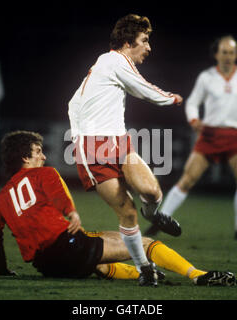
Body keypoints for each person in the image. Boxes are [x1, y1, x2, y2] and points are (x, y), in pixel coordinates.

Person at [0, 130, 236, 287]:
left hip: (45, 265)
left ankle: (149, 275)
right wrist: (71, 211)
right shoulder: (44, 173)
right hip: (68, 246)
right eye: (37, 152)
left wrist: (2, 270)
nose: (43, 156)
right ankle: (198, 275)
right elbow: (58, 194)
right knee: (144, 243)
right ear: (25, 158)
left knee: (99, 262)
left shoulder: (0, 198)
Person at [67, 14, 184, 284]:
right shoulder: (114, 60)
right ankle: (145, 269)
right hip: (93, 151)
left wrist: (76, 129)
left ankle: (152, 213)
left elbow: (73, 102)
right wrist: (171, 98)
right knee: (127, 213)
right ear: (128, 41)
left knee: (152, 192)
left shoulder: (106, 63)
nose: (149, 47)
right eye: (145, 40)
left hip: (118, 141)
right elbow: (141, 88)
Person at [145, 35, 237, 240]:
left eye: (231, 52)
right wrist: (194, 120)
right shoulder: (207, 77)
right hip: (210, 136)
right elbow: (191, 103)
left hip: (236, 137)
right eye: (223, 52)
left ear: (236, 54)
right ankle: (160, 222)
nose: (227, 56)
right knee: (187, 180)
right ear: (216, 54)